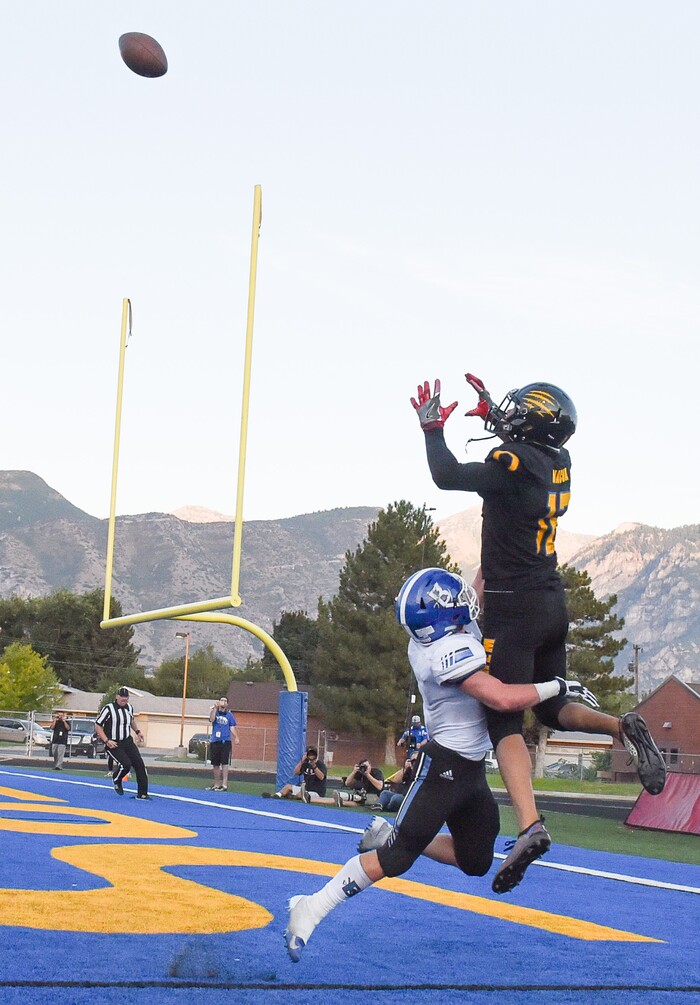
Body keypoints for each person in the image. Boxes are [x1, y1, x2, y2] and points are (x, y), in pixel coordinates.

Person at [410, 376, 667, 891]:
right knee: (551, 707)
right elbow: (518, 458)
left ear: (531, 423)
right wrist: (493, 418)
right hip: (551, 599)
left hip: (512, 607)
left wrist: (432, 428)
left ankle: (529, 825)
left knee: (503, 720)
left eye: (515, 410)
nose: (505, 413)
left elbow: (447, 475)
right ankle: (622, 726)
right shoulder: (555, 461)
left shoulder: (512, 464)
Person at [284, 567, 600, 961]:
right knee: (396, 860)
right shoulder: (444, 653)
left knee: (477, 861)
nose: (466, 599)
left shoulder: (435, 631)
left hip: (471, 769)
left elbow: (478, 584)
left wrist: (503, 538)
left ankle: (390, 834)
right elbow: (500, 698)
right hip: (444, 766)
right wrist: (557, 686)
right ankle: (311, 907)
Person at [94, 686, 149, 799]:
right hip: (114, 742)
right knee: (126, 764)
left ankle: (142, 793)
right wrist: (106, 740)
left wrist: (138, 731)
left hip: (127, 741)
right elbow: (98, 725)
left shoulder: (129, 707)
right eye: (122, 696)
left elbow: (131, 720)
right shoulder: (109, 709)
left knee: (139, 765)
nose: (124, 699)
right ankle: (117, 779)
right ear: (117, 697)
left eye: (126, 697)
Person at [264, 746, 328, 802]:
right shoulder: (305, 764)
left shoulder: (320, 765)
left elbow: (321, 777)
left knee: (300, 794)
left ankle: (291, 796)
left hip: (316, 792)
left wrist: (314, 766)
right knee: (288, 786)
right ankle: (276, 795)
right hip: (306, 789)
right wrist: (301, 761)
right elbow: (296, 772)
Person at [206, 697, 240, 791]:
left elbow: (232, 727)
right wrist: (214, 709)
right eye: (222, 700)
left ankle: (224, 785)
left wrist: (236, 737)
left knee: (224, 763)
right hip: (215, 741)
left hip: (225, 741)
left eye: (225, 701)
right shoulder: (215, 712)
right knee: (215, 764)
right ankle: (217, 784)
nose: (223, 702)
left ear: (227, 704)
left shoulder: (229, 715)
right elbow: (212, 720)